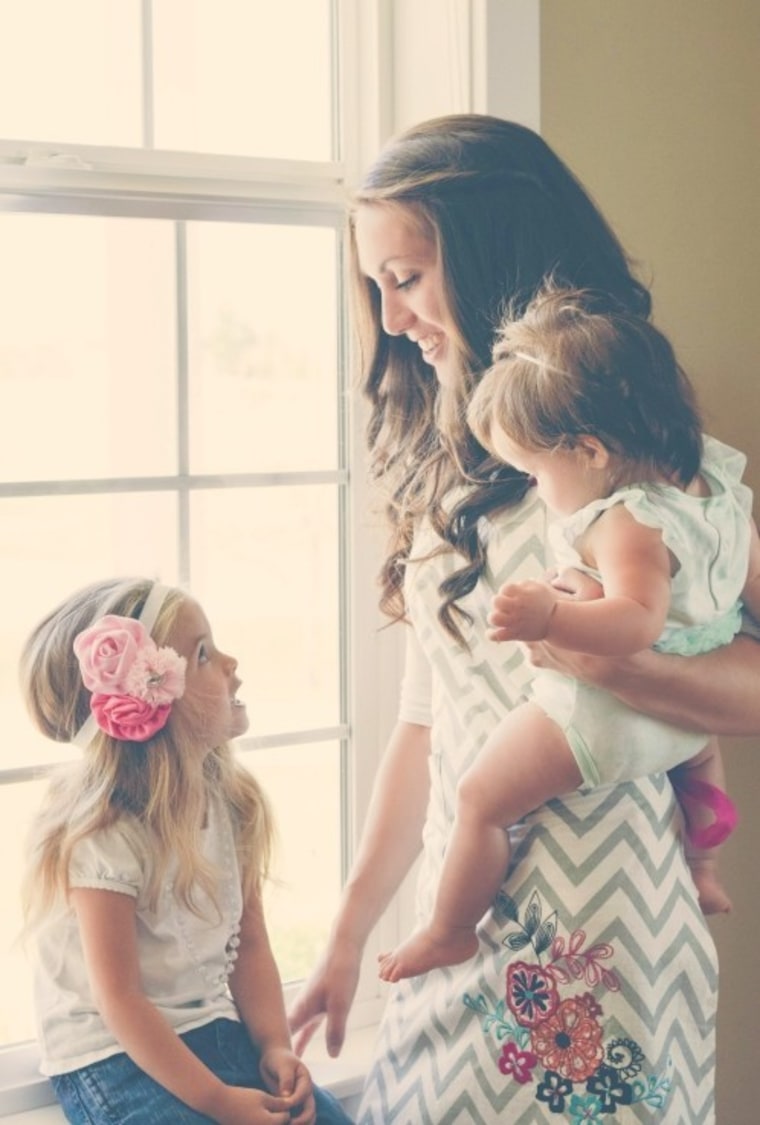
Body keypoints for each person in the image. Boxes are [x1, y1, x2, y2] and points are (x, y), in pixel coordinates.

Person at [286, 114, 760, 1124]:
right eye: (375, 287)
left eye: (406, 278)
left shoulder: (635, 459)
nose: (391, 316)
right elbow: (428, 724)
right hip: (460, 922)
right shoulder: (441, 463)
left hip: (608, 935)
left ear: (489, 249)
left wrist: (613, 663)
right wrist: (345, 937)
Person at [376, 282, 759, 983]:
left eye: (533, 470)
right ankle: (704, 868)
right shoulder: (714, 487)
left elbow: (635, 621)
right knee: (700, 779)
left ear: (588, 450)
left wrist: (553, 616)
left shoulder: (627, 521)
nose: (536, 488)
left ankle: (448, 929)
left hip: (608, 718)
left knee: (481, 800)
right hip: (691, 730)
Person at [20, 577, 352, 1125]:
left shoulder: (231, 803)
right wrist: (219, 1101)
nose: (230, 661)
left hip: (208, 1028)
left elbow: (248, 946)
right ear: (151, 699)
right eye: (203, 654)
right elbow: (121, 999)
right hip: (112, 1055)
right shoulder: (106, 833)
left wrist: (273, 1045)